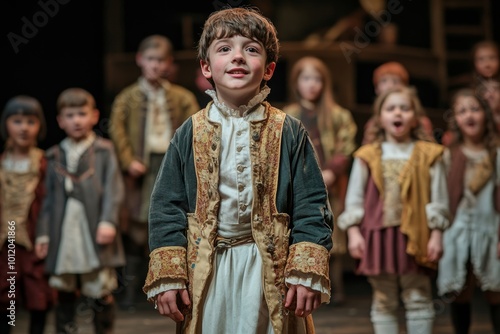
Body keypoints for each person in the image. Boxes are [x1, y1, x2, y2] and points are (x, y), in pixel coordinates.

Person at [142, 7, 333, 333]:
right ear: (206, 67)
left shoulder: (289, 131)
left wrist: (306, 270)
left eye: (252, 49)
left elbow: (311, 203)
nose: (238, 57)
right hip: (208, 271)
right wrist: (169, 275)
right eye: (225, 48)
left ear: (269, 68)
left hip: (269, 272)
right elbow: (166, 205)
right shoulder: (189, 132)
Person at [338, 86, 450, 334]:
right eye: (390, 108)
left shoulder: (430, 154)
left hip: (415, 234)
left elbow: (439, 198)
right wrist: (354, 232)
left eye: (405, 108)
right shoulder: (367, 155)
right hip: (378, 234)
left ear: (415, 117)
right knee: (383, 298)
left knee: (418, 295)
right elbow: (354, 198)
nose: (397, 112)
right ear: (380, 118)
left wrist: (437, 234)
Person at [108, 34, 199, 310]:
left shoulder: (181, 97)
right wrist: (128, 161)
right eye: (150, 60)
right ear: (139, 60)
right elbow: (117, 129)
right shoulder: (127, 98)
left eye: (160, 61)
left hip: (170, 162)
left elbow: (195, 127)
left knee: (171, 215)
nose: (155, 66)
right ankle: (132, 290)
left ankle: (170, 283)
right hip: (141, 167)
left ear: (169, 63)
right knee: (138, 222)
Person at [35, 88, 125, 334]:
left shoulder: (104, 150)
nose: (76, 120)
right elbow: (48, 200)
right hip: (65, 229)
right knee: (65, 285)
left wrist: (108, 221)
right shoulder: (54, 155)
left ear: (94, 116)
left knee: (99, 285)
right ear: (60, 120)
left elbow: (113, 189)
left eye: (82, 114)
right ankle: (65, 329)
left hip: (93, 226)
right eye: (70, 115)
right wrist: (43, 234)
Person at [283, 56, 357, 305]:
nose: (312, 84)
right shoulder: (288, 116)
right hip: (299, 184)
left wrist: (333, 171)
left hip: (331, 184)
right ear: (297, 83)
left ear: (324, 83)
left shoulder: (338, 115)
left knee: (333, 234)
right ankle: (304, 282)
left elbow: (346, 145)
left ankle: (336, 287)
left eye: (317, 79)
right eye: (306, 78)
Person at [437, 88, 500, 334]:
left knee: (495, 290)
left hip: (490, 230)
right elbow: (441, 196)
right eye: (462, 111)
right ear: (455, 119)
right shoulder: (449, 155)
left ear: (485, 114)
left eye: (474, 109)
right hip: (457, 230)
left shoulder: (495, 154)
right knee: (459, 290)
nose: (469, 115)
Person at [0, 96, 54, 334]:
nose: (24, 127)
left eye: (30, 121)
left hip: (34, 238)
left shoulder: (46, 162)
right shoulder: (2, 163)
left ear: (39, 125)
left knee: (37, 293)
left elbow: (52, 202)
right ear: (6, 125)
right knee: (5, 294)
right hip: (5, 239)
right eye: (17, 121)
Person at [362, 61, 434, 144]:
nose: (389, 86)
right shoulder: (373, 124)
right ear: (376, 89)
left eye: (395, 81)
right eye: (384, 81)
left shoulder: (420, 121)